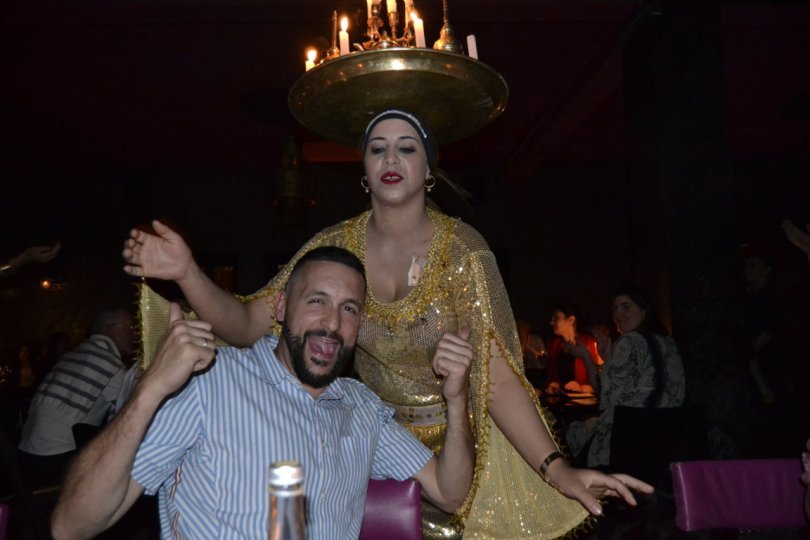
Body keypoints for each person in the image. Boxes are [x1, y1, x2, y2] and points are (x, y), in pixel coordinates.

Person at [122, 110, 654, 538]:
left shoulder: (464, 252)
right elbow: (245, 323)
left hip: (459, 451)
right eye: (378, 148)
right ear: (365, 168)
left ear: (428, 169)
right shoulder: (335, 246)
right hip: (377, 446)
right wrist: (188, 272)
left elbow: (495, 376)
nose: (391, 158)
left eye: (407, 148)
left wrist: (557, 468)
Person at [51, 246, 477, 540]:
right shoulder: (209, 382)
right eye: (316, 301)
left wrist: (456, 399)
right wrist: (151, 388)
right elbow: (72, 526)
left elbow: (450, 492)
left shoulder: (361, 407)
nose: (332, 323)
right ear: (280, 308)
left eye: (348, 309)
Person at [566, 286, 685, 468]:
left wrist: (586, 358)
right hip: (669, 436)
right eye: (614, 308)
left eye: (626, 307)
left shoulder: (628, 341)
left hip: (631, 439)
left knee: (567, 430)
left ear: (644, 310)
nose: (618, 314)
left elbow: (607, 399)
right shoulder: (667, 341)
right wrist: (608, 359)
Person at [17, 308, 135, 489]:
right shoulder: (110, 363)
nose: (134, 334)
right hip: (55, 461)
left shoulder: (71, 355)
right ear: (110, 329)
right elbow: (131, 413)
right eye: (130, 327)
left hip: (25, 454)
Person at [545, 304, 603, 396]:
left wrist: (581, 388)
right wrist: (554, 384)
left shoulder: (589, 343)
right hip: (562, 399)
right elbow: (551, 375)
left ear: (571, 320)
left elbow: (600, 381)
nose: (551, 322)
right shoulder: (554, 345)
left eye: (556, 318)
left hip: (584, 401)